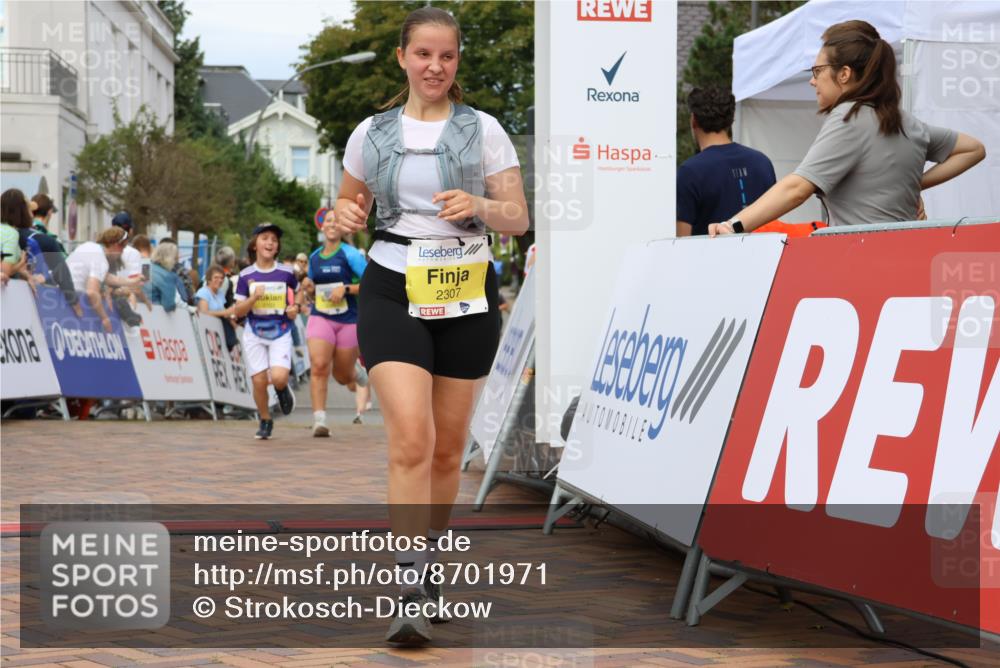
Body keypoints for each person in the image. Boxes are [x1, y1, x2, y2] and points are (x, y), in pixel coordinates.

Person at [334, 6, 529, 644]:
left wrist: (479, 204)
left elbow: (518, 219)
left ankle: (429, 560)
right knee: (412, 439)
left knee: (449, 449)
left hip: (466, 286)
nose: (435, 67)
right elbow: (348, 206)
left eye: (446, 56)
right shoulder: (371, 131)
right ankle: (409, 580)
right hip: (392, 284)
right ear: (402, 58)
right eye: (423, 55)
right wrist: (336, 221)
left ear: (457, 61)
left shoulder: (485, 130)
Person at [709, 20, 986, 236]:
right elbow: (974, 149)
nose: (812, 81)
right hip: (907, 260)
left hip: (858, 264)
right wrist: (912, 183)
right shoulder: (907, 123)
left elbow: (796, 188)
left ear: (844, 74)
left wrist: (734, 225)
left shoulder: (848, 117)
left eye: (817, 71)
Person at [301, 210, 368, 437]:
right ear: (322, 227)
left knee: (342, 376)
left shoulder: (351, 255)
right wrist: (308, 289)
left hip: (348, 319)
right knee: (319, 365)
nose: (332, 224)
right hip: (321, 316)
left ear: (342, 228)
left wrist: (346, 289)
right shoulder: (314, 257)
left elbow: (372, 284)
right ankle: (319, 420)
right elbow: (312, 288)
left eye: (337, 221)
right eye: (328, 221)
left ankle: (354, 371)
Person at [231, 223, 300, 440]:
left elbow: (298, 295)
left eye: (274, 240)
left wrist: (294, 307)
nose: (270, 243)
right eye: (265, 238)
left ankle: (282, 389)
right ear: (255, 244)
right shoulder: (245, 275)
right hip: (254, 332)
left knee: (279, 377)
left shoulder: (287, 273)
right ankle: (265, 419)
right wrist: (253, 298)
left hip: (280, 330)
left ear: (277, 247)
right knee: (259, 381)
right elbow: (238, 310)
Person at [676, 86, 776, 237]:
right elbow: (775, 223)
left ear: (693, 120)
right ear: (731, 119)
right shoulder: (762, 162)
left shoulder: (689, 171)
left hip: (710, 258)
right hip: (764, 257)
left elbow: (682, 240)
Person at [2, 189, 81, 315]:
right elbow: (62, 273)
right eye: (29, 210)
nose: (32, 214)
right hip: (30, 307)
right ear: (24, 212)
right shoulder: (44, 240)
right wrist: (76, 305)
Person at [65, 227, 142, 332]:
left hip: (64, 292)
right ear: (116, 245)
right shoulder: (101, 259)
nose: (122, 252)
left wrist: (132, 281)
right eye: (122, 248)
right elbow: (92, 292)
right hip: (73, 300)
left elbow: (106, 277)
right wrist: (105, 318)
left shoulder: (90, 246)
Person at [144, 241, 184, 312]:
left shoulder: (145, 268)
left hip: (139, 310)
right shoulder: (167, 276)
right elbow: (168, 305)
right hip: (155, 314)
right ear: (171, 258)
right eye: (176, 259)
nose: (176, 262)